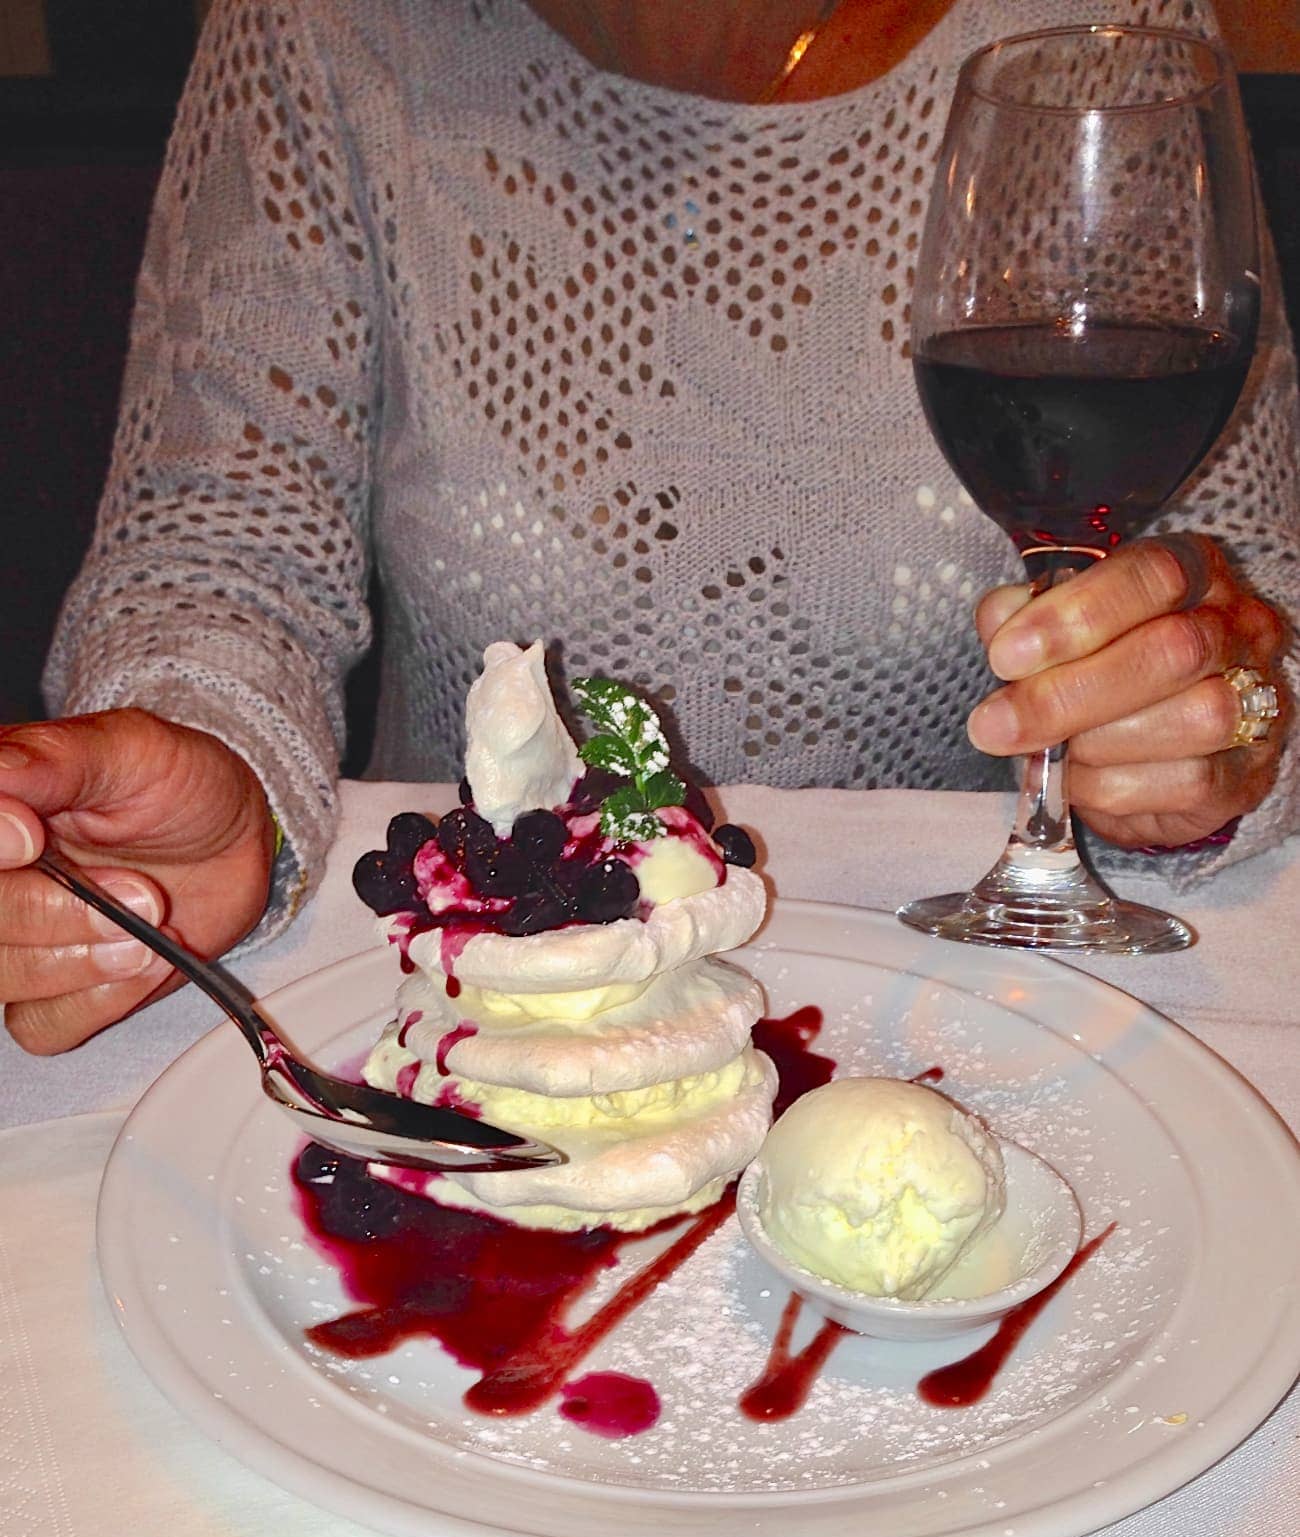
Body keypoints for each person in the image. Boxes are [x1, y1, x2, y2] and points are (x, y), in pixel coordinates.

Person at [2, 0, 1295, 1055]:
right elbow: (223, 540)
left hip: (970, 1014)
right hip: (481, 1001)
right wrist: (220, 761)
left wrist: (1221, 727)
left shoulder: (1102, 30)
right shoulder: (321, 27)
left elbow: (1258, 592)